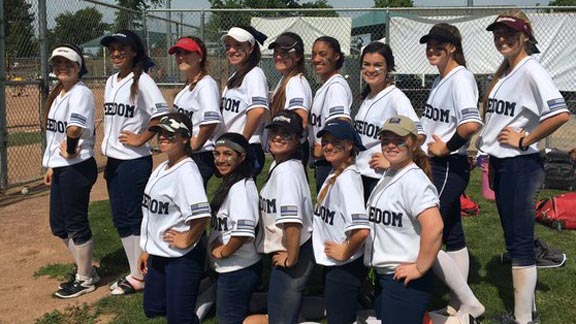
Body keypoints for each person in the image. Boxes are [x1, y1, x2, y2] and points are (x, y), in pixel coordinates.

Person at [478, 11, 569, 324]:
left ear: (525, 36)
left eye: (510, 32)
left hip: (520, 164)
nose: (502, 38)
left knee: (519, 243)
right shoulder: (506, 71)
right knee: (515, 239)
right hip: (504, 164)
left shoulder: (531, 70)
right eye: (498, 32)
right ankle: (526, 313)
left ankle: (523, 320)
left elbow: (560, 113)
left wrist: (524, 139)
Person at [418, 23, 486, 320]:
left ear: (453, 47)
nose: (432, 49)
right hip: (438, 164)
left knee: (427, 231)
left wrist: (445, 147)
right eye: (429, 44)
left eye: (439, 45)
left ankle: (469, 302)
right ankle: (459, 305)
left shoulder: (460, 78)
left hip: (448, 165)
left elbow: (471, 125)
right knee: (454, 235)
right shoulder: (441, 79)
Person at [100, 30, 170, 295]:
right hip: (115, 161)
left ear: (134, 52)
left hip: (134, 162)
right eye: (113, 49)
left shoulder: (142, 80)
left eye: (122, 49)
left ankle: (140, 275)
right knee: (121, 218)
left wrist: (142, 138)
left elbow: (162, 114)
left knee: (133, 218)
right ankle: (135, 272)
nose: (116, 53)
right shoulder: (110, 81)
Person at [364, 116, 443, 324]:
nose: (391, 145)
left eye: (398, 140)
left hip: (404, 278)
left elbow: (434, 227)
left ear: (414, 143)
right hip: (387, 275)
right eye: (385, 140)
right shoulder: (392, 173)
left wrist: (419, 267)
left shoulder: (415, 181)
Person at [138, 113, 211, 324]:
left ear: (185, 138)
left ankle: (210, 294)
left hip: (182, 256)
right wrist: (146, 249)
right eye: (161, 133)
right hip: (159, 252)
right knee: (153, 309)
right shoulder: (162, 166)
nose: (162, 137)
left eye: (170, 134)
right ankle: (199, 285)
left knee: (179, 319)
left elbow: (202, 214)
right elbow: (151, 213)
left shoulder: (187, 171)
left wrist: (187, 239)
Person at [42, 44, 98, 299]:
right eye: (57, 64)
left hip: (77, 167)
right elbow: (56, 134)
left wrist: (73, 148)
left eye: (68, 64)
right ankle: (87, 270)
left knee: (75, 223)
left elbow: (74, 129)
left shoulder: (80, 93)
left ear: (78, 67)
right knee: (59, 225)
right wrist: (53, 164)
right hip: (63, 166)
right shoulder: (61, 93)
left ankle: (85, 279)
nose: (61, 68)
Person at [254, 110, 315, 324]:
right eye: (275, 131)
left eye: (286, 133)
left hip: (294, 252)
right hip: (290, 249)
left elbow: (292, 222)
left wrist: (291, 258)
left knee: (281, 320)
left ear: (299, 139)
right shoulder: (280, 164)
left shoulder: (287, 173)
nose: (278, 137)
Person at [313, 120, 370, 324]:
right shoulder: (337, 171)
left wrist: (345, 252)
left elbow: (362, 230)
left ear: (349, 146)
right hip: (336, 263)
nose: (328, 146)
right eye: (325, 141)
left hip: (346, 265)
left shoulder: (347, 180)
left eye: (335, 142)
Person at [354, 41, 425, 202]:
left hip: (379, 176)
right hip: (361, 172)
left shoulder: (396, 97)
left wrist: (392, 160)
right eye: (366, 64)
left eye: (378, 65)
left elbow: (419, 135)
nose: (371, 70)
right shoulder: (367, 96)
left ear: (388, 68)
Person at [208, 132, 261, 324]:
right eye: (217, 154)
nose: (220, 160)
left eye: (227, 154)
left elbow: (243, 232)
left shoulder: (241, 189)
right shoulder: (230, 182)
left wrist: (223, 252)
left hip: (238, 268)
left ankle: (284, 318)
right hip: (231, 269)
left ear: (242, 157)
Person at [168, 36, 222, 187]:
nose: (181, 57)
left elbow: (211, 120)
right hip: (188, 153)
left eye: (186, 53)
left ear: (199, 56)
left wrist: (196, 144)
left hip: (200, 155)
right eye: (178, 53)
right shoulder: (190, 85)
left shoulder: (206, 84)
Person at [221, 26, 269, 178]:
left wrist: (239, 144)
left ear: (251, 47)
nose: (232, 50)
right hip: (234, 146)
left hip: (247, 147)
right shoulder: (236, 76)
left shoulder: (254, 74)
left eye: (238, 45)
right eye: (228, 46)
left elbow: (258, 111)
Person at [309, 36, 353, 193]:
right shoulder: (326, 85)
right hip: (324, 160)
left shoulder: (336, 86)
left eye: (322, 54)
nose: (316, 59)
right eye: (314, 54)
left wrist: (326, 147)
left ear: (336, 56)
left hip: (330, 161)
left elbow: (342, 121)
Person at [268, 32, 312, 163]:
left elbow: (300, 119)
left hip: (292, 151)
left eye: (286, 53)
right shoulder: (285, 79)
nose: (279, 57)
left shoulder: (295, 82)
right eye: (276, 52)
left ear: (298, 56)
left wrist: (284, 146)